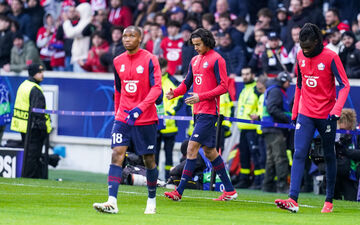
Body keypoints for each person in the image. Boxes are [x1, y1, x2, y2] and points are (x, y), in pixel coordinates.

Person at [275, 23, 350, 213]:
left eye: (308, 47)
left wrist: (337, 109)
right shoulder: (300, 55)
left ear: (317, 42)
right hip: (305, 113)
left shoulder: (331, 56)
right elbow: (299, 85)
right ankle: (293, 199)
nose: (305, 51)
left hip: (326, 114)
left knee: (328, 154)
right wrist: (294, 111)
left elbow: (345, 85)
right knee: (299, 153)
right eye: (302, 47)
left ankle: (329, 200)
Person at [93, 26, 162, 215]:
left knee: (149, 160)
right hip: (123, 117)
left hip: (146, 118)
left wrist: (140, 109)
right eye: (125, 36)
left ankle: (151, 199)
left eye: (132, 35)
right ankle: (112, 201)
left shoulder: (150, 59)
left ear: (140, 38)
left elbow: (156, 89)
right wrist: (118, 114)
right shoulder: (117, 61)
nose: (127, 39)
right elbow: (118, 90)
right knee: (117, 154)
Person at [164, 28, 237, 201]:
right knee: (211, 152)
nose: (195, 48)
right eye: (194, 44)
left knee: (191, 148)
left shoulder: (217, 59)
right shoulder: (195, 60)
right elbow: (186, 83)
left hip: (210, 112)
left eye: (198, 44)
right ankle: (230, 190)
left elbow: (223, 87)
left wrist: (200, 96)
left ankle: (179, 191)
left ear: (207, 41)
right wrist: (174, 93)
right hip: (198, 112)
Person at [10, 63, 52, 178]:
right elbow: (38, 113)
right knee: (33, 156)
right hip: (34, 129)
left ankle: (28, 176)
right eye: (40, 72)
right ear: (34, 74)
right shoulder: (35, 89)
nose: (42, 74)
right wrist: (44, 129)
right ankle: (30, 178)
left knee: (28, 154)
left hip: (24, 126)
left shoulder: (24, 85)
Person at [262, 72, 292, 193]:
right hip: (275, 128)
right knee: (280, 157)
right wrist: (287, 118)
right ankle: (282, 185)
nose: (289, 84)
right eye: (288, 81)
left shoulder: (272, 89)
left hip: (268, 128)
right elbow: (272, 108)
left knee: (271, 159)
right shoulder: (276, 91)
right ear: (283, 81)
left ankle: (267, 185)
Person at [155, 58, 183, 180]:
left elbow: (180, 99)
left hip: (169, 124)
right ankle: (153, 178)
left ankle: (169, 178)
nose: (160, 71)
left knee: (168, 154)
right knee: (153, 154)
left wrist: (170, 112)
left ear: (166, 68)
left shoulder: (174, 82)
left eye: (162, 68)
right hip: (154, 123)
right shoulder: (152, 80)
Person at [235, 67, 262, 189]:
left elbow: (262, 104)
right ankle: (244, 179)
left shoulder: (256, 89)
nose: (245, 76)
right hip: (243, 128)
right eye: (243, 74)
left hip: (253, 129)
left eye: (247, 74)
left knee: (255, 155)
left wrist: (259, 116)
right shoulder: (244, 89)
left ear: (253, 75)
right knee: (243, 155)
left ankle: (258, 181)